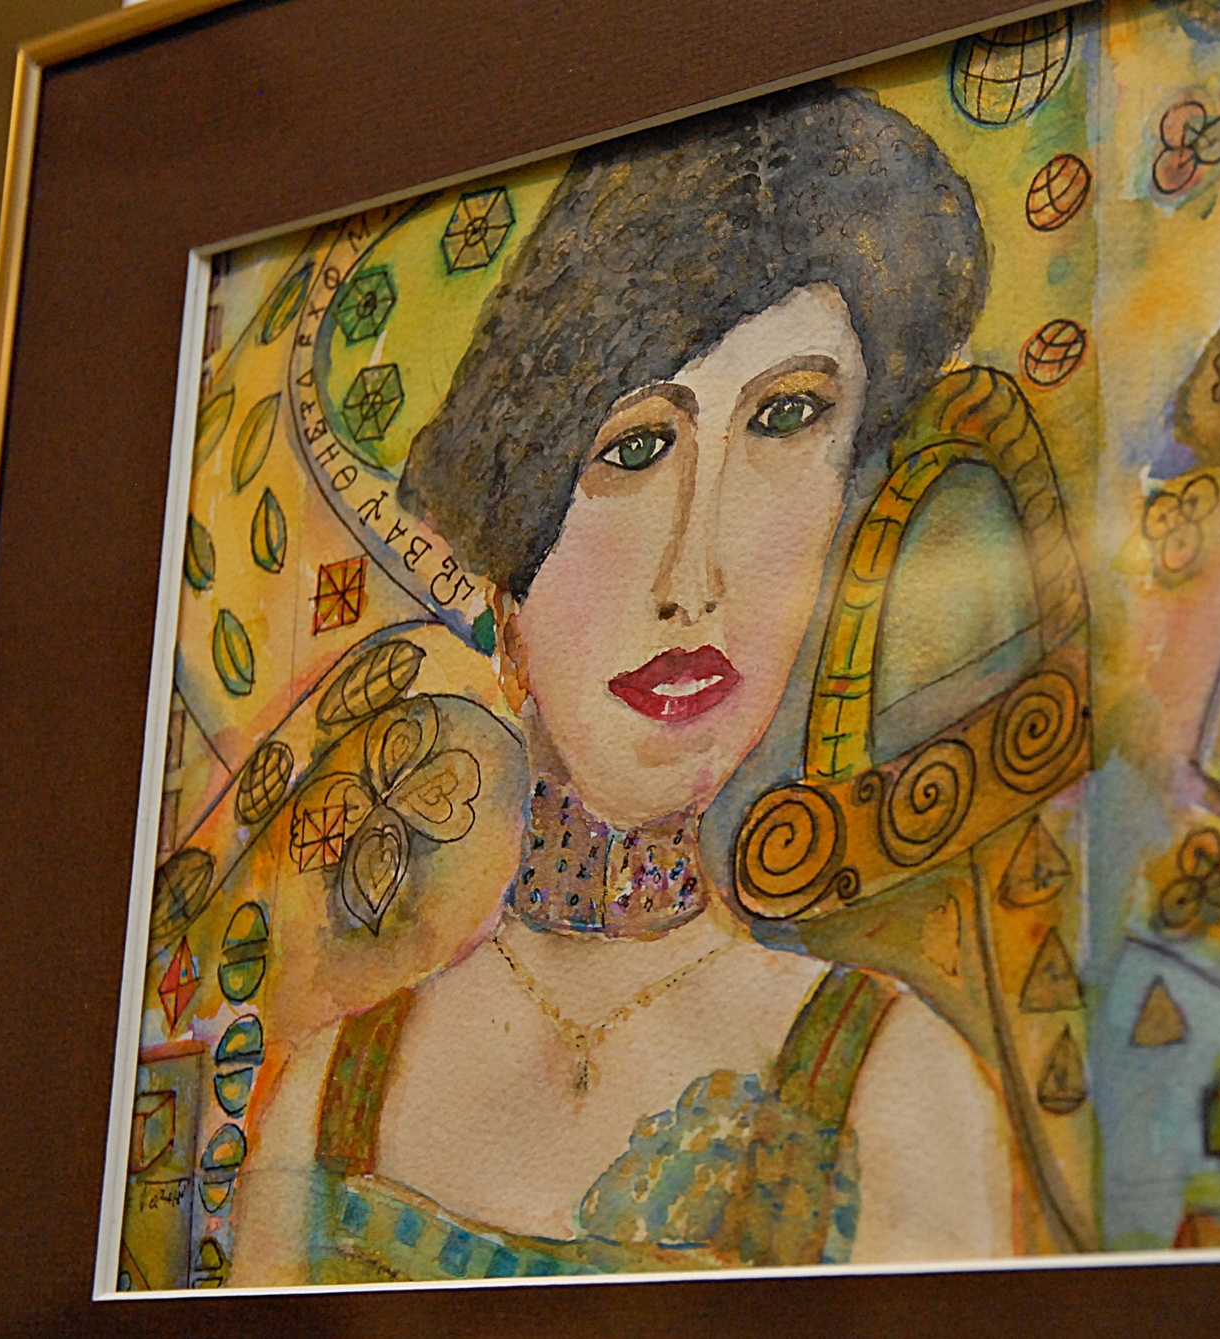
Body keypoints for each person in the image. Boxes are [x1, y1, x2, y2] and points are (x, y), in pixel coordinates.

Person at [233, 86, 1014, 1283]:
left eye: (786, 419)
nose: (694, 580)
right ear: (508, 576)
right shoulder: (328, 1107)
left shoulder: (892, 1088)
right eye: (635, 448)